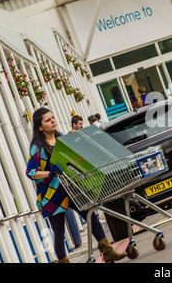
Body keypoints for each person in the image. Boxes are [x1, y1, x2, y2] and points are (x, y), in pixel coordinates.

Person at [26, 107, 126, 263]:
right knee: (59, 232)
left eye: (52, 118)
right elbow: (31, 172)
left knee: (89, 214)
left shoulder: (62, 138)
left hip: (71, 189)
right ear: (40, 127)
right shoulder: (37, 147)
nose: (52, 121)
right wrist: (50, 173)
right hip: (51, 194)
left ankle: (107, 251)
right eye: (48, 120)